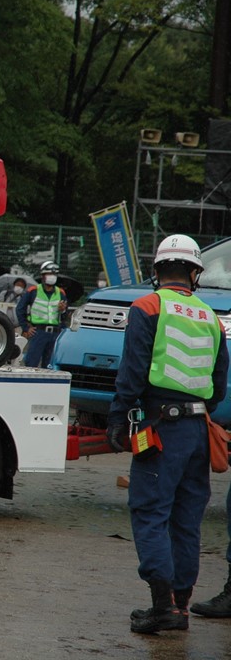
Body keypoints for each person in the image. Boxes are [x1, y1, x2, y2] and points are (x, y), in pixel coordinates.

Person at [105, 234, 228, 634]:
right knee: (186, 520)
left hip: (161, 428)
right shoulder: (210, 317)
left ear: (157, 271)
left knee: (151, 512)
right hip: (198, 429)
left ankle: (163, 609)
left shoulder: (147, 306)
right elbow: (219, 383)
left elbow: (133, 369)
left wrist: (118, 417)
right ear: (195, 274)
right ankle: (181, 606)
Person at [16, 261, 67, 367]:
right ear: (43, 276)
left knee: (50, 365)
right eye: (49, 274)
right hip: (38, 332)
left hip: (55, 334)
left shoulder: (60, 293)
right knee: (31, 363)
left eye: (54, 274)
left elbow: (64, 315)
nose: (52, 276)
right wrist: (26, 328)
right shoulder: (33, 291)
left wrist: (63, 310)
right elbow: (20, 309)